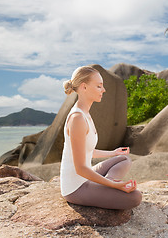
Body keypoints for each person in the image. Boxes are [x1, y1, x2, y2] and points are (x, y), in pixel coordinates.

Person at [60, 66, 142, 210]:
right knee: (135, 197)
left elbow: (87, 151)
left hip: (85, 176)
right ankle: (106, 185)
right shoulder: (77, 118)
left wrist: (114, 153)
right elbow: (80, 169)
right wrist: (114, 185)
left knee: (124, 159)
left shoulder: (85, 113)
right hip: (76, 187)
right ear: (84, 87)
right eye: (99, 86)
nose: (103, 90)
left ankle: (103, 185)